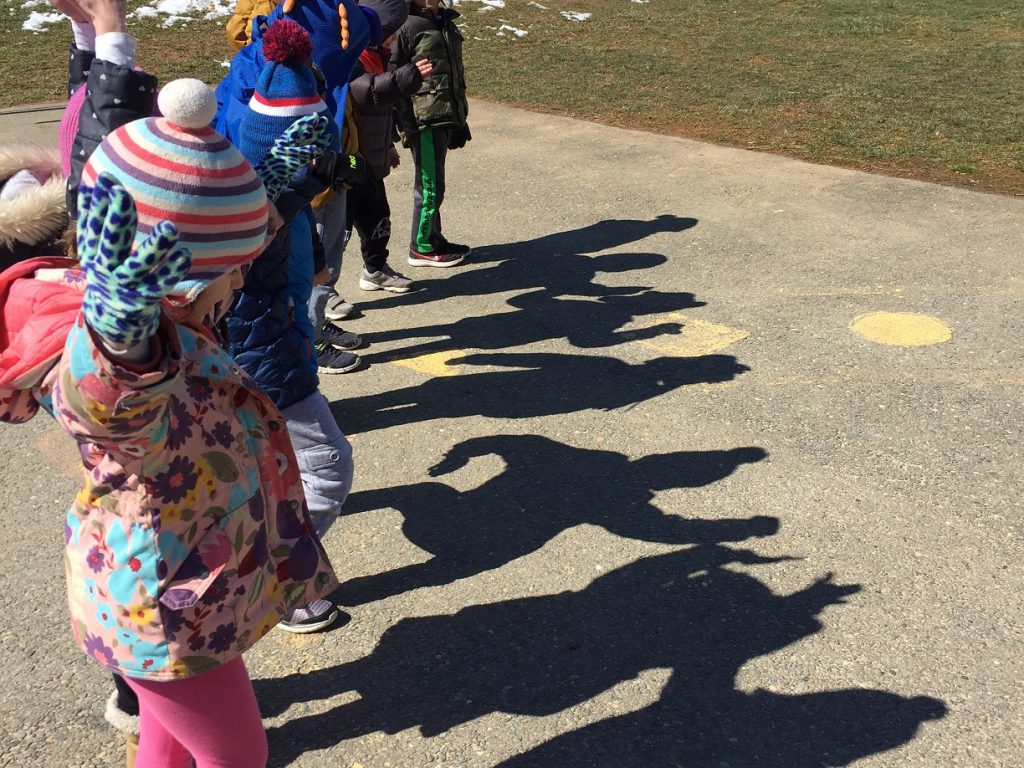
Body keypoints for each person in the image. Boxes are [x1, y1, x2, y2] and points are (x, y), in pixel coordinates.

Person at [6, 78, 335, 766]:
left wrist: (274, 186)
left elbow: (208, 226)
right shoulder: (121, 356)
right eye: (232, 274)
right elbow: (107, 397)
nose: (240, 284)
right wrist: (114, 336)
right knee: (239, 755)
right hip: (162, 616)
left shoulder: (180, 318)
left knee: (165, 744)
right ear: (180, 280)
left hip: (187, 601)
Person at [227, 18, 365, 631]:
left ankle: (286, 574)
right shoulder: (249, 224)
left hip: (276, 343)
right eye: (307, 154)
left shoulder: (255, 189)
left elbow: (278, 207)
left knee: (271, 471)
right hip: (268, 356)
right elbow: (265, 233)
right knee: (329, 463)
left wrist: (310, 185)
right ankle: (281, 577)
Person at [345, 0, 431, 293]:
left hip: (373, 156)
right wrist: (409, 77)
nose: (394, 38)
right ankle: (324, 292)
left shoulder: (380, 53)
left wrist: (390, 144)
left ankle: (375, 269)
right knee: (336, 230)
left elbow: (385, 109)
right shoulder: (351, 56)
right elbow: (368, 90)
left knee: (378, 218)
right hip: (350, 157)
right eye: (390, 31)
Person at [391, 0, 472, 268]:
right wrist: (395, 123)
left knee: (436, 183)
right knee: (428, 186)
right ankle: (421, 246)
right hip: (423, 119)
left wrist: (460, 119)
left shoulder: (445, 23)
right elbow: (392, 76)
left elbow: (453, 75)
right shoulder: (406, 25)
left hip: (445, 116)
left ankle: (433, 238)